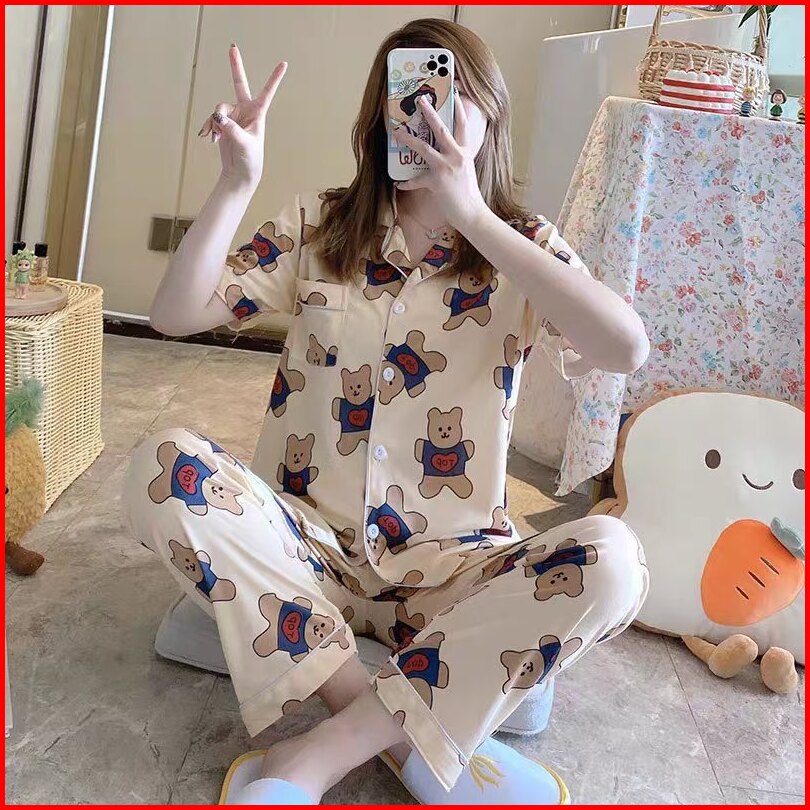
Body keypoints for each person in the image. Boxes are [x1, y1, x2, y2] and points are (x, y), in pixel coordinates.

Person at [125, 18, 650, 805]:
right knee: (163, 464)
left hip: (451, 572)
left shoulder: (521, 246)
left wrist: (475, 217)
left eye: (454, 93)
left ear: (490, 113)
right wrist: (235, 181)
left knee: (616, 560)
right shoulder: (320, 223)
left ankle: (313, 758)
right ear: (381, 115)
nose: (430, 113)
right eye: (411, 94)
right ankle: (402, 741)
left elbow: (625, 347)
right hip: (304, 550)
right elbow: (173, 315)